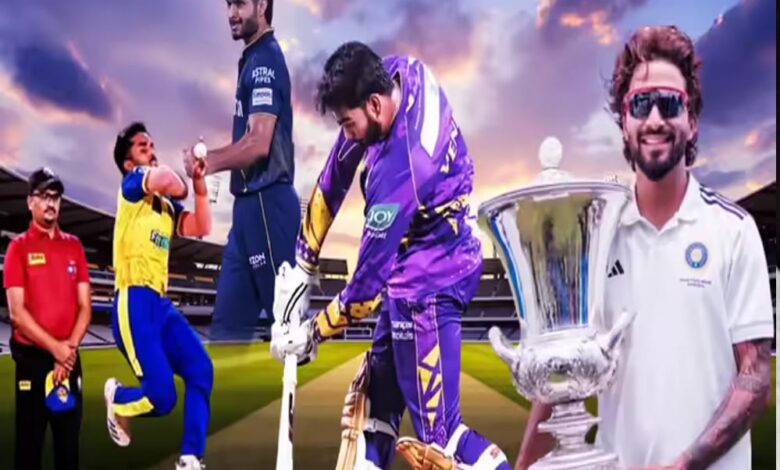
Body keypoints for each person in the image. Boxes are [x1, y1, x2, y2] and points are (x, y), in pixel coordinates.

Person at [515, 26, 774, 470]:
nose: (654, 119)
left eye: (669, 104)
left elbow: (756, 379)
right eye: (640, 104)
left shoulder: (733, 230)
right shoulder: (596, 241)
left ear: (692, 120)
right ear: (625, 121)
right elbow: (563, 369)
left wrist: (682, 465)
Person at [270, 41, 511, 470]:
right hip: (418, 260)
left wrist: (311, 333)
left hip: (430, 281)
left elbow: (364, 291)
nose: (347, 135)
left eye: (348, 124)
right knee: (373, 410)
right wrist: (303, 266)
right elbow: (335, 174)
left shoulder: (402, 167)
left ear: (375, 106)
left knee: (441, 445)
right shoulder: (396, 73)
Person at [182, 0, 300, 341]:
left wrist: (208, 163)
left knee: (288, 331)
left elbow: (259, 143)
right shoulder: (251, 58)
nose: (232, 13)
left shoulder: (265, 59)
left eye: (240, 3)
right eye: (229, 4)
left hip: (268, 202)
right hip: (247, 208)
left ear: (262, 5)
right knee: (225, 334)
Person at [105, 122, 214, 470]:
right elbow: (168, 180)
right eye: (143, 147)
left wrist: (199, 182)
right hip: (134, 301)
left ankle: (190, 457)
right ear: (128, 163)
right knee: (162, 399)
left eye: (153, 145)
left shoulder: (165, 207)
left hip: (161, 306)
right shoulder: (132, 185)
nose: (151, 151)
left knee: (201, 370)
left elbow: (202, 226)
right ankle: (118, 398)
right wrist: (185, 177)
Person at [3, 167, 92, 470]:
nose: (51, 202)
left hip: (69, 359)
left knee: (68, 450)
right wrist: (57, 350)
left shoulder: (74, 246)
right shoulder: (18, 248)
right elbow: (17, 314)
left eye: (55, 196)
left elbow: (85, 307)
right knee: (29, 450)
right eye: (43, 196)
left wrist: (68, 352)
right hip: (33, 362)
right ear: (30, 202)